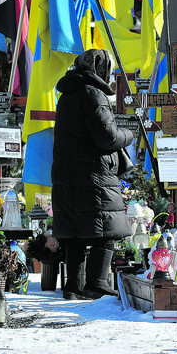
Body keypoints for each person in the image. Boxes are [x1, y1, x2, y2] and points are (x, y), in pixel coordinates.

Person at [51, 49, 134, 300]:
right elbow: (107, 137)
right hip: (93, 174)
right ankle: (97, 282)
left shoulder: (67, 94)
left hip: (68, 175)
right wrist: (128, 134)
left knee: (76, 232)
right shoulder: (94, 94)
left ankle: (72, 286)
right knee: (106, 231)